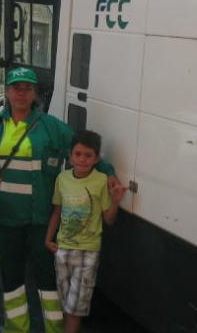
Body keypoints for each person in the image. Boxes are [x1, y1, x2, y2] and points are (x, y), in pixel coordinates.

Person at [0, 66, 120, 333]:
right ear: (7, 92)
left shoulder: (52, 127)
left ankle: (55, 329)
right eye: (16, 88)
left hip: (40, 219)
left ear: (34, 93)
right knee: (11, 281)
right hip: (5, 219)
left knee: (48, 280)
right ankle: (17, 329)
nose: (21, 93)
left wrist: (108, 172)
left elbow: (83, 150)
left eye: (27, 88)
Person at [44, 130, 126, 333]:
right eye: (78, 154)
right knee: (65, 303)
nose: (82, 159)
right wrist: (48, 239)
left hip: (88, 253)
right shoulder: (62, 178)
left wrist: (116, 202)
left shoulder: (101, 181)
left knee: (75, 308)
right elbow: (57, 211)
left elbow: (109, 219)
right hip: (62, 250)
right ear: (70, 156)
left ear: (97, 159)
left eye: (88, 155)